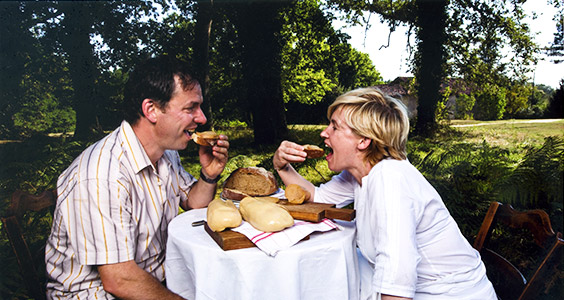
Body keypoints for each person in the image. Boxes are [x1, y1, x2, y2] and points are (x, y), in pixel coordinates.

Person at [273, 87, 496, 299]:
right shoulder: (362, 171)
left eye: (334, 126)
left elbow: (398, 280)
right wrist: (282, 166)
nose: (324, 133)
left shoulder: (390, 179)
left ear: (363, 140)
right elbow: (317, 198)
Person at [45, 55, 229, 299]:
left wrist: (209, 174)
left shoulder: (166, 151)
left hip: (151, 279)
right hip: (97, 293)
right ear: (151, 110)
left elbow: (194, 204)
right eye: (190, 108)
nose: (203, 118)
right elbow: (118, 279)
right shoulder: (102, 176)